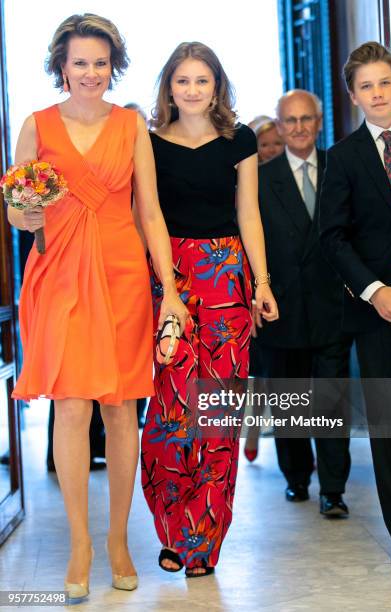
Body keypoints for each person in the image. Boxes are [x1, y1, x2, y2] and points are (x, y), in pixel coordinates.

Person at [8, 13, 187, 599]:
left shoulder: (132, 125)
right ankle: (80, 543)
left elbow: (151, 213)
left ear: (115, 66)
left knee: (119, 409)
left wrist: (172, 289)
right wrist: (22, 215)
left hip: (122, 276)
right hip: (59, 274)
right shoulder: (35, 126)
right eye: (80, 62)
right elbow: (15, 204)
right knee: (71, 405)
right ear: (61, 65)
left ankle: (117, 539)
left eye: (100, 62)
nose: (90, 72)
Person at [140, 41, 278, 577]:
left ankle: (203, 544)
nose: (192, 90)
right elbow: (146, 216)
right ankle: (173, 529)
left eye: (202, 80)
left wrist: (261, 283)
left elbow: (250, 216)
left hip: (227, 276)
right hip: (167, 280)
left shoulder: (240, 140)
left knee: (219, 414)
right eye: (182, 81)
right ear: (168, 88)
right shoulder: (148, 143)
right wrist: (164, 284)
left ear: (216, 86)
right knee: (170, 413)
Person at [319, 41, 391, 570]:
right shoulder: (341, 157)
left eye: (384, 82)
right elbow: (333, 237)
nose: (377, 93)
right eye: (365, 86)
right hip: (374, 309)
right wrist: (375, 291)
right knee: (388, 417)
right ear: (353, 95)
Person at [254, 90, 352, 515]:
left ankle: (333, 489)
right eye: (289, 120)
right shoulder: (259, 178)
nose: (297, 128)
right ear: (278, 125)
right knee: (289, 399)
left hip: (334, 307)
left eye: (305, 119)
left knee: (331, 402)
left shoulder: (342, 168)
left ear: (319, 121)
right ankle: (297, 478)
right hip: (283, 309)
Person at [244, 116, 284, 462]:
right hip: (255, 287)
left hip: (285, 288)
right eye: (264, 144)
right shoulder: (244, 185)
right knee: (259, 373)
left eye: (276, 143)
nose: (271, 150)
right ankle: (253, 431)